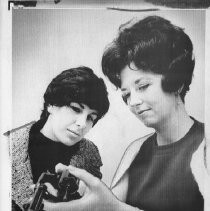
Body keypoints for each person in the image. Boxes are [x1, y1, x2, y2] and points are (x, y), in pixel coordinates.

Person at [43, 16, 210, 211]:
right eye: (126, 94)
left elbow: (114, 207)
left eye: (143, 86)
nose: (133, 102)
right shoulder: (136, 150)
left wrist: (114, 207)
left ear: (177, 80)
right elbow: (107, 206)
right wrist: (79, 200)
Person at [6, 66, 109, 210]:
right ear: (51, 105)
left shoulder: (90, 154)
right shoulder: (6, 146)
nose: (82, 123)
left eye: (91, 117)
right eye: (76, 109)